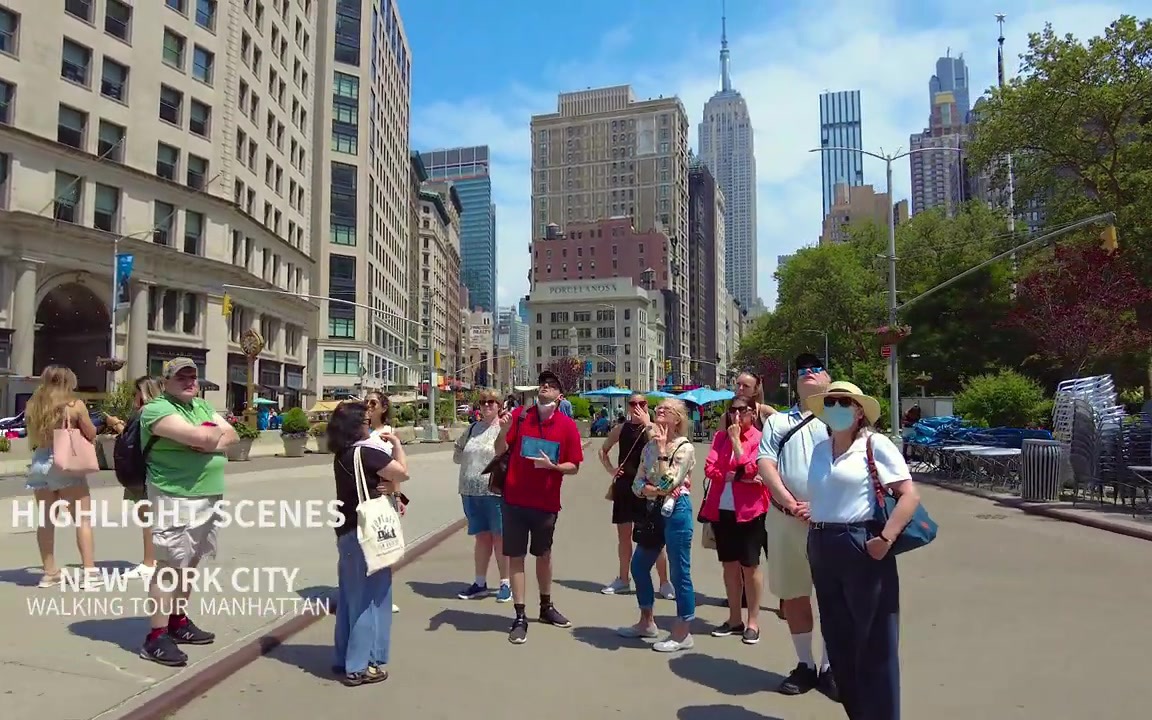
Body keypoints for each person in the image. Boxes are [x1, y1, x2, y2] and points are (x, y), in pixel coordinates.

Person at [805, 381, 922, 718]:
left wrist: (886, 538)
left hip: (861, 543)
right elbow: (823, 494)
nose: (836, 408)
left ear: (858, 411)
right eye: (831, 402)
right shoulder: (819, 449)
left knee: (875, 641)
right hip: (821, 543)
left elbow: (909, 494)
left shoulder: (875, 444)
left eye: (844, 402)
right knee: (838, 639)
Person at [138, 358, 239, 667]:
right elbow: (206, 438)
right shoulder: (156, 409)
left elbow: (233, 438)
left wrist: (208, 439)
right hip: (173, 495)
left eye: (193, 377)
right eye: (181, 377)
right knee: (168, 564)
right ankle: (156, 636)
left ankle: (177, 621)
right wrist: (208, 439)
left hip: (207, 496)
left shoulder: (202, 408)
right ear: (165, 381)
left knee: (191, 561)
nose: (189, 382)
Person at [757, 353, 837, 698]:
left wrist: (820, 505)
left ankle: (831, 667)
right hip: (786, 519)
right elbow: (765, 463)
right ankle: (805, 664)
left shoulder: (840, 416)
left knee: (834, 596)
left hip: (833, 521)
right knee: (795, 594)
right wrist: (790, 502)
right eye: (801, 370)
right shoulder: (777, 422)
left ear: (828, 378)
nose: (807, 373)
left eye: (815, 369)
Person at [494, 370, 583, 645]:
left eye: (552, 385)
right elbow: (499, 451)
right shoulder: (522, 416)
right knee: (516, 557)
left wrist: (554, 467)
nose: (545, 387)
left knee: (543, 555)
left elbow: (575, 466)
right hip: (514, 500)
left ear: (559, 395)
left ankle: (546, 607)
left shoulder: (567, 426)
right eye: (543, 384)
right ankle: (520, 615)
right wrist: (504, 430)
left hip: (545, 503)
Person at [327, 401, 410, 686]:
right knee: (373, 600)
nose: (369, 424)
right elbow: (401, 472)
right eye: (365, 420)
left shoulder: (342, 454)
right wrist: (398, 444)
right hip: (369, 535)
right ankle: (362, 665)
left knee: (350, 598)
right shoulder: (367, 452)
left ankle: (344, 658)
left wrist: (384, 485)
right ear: (356, 426)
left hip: (347, 532)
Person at [616, 398, 696, 652]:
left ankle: (683, 632)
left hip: (677, 511)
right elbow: (637, 483)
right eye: (658, 407)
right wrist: (650, 490)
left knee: (679, 572)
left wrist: (662, 453)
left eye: (666, 409)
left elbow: (669, 483)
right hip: (653, 511)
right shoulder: (648, 446)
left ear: (678, 419)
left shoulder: (684, 448)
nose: (659, 410)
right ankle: (646, 621)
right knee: (639, 565)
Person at [700, 398, 768, 644]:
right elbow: (710, 468)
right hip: (722, 509)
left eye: (743, 411)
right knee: (729, 565)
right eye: (733, 411)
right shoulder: (720, 437)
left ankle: (753, 621)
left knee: (750, 566)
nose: (737, 415)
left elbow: (752, 469)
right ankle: (734, 618)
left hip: (750, 510)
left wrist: (738, 445)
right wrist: (734, 476)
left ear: (752, 413)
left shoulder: (759, 438)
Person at [25, 365, 98, 588]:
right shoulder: (74, 405)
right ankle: (89, 572)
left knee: (46, 521)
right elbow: (90, 432)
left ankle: (49, 573)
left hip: (39, 463)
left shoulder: (34, 405)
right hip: (65, 462)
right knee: (82, 520)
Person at [597, 392, 673, 598]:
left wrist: (648, 423)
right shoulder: (620, 429)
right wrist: (611, 469)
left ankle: (665, 582)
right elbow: (603, 450)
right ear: (628, 406)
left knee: (653, 538)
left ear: (647, 405)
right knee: (624, 537)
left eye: (642, 403)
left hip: (647, 488)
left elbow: (659, 447)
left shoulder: (654, 428)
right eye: (633, 403)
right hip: (624, 486)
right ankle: (623, 579)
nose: (637, 407)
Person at [452, 389, 510, 602]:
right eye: (484, 402)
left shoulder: (504, 428)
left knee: (500, 538)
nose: (487, 405)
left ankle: (506, 583)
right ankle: (480, 582)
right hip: (469, 491)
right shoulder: (471, 429)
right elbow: (458, 454)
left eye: (492, 402)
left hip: (495, 492)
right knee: (481, 537)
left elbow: (505, 453)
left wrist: (504, 432)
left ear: (499, 405)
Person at [121, 376, 164, 579]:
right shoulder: (161, 412)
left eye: (136, 392)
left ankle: (149, 562)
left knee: (147, 516)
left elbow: (132, 440)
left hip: (143, 469)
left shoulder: (144, 413)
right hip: (155, 468)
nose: (134, 396)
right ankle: (153, 560)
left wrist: (117, 426)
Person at [364, 391, 401, 613]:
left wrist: (396, 492)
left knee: (385, 546)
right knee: (363, 546)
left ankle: (383, 596)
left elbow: (399, 466)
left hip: (382, 496)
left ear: (383, 408)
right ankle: (363, 595)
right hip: (361, 495)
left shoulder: (389, 434)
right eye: (366, 402)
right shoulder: (358, 431)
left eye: (373, 402)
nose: (368, 406)